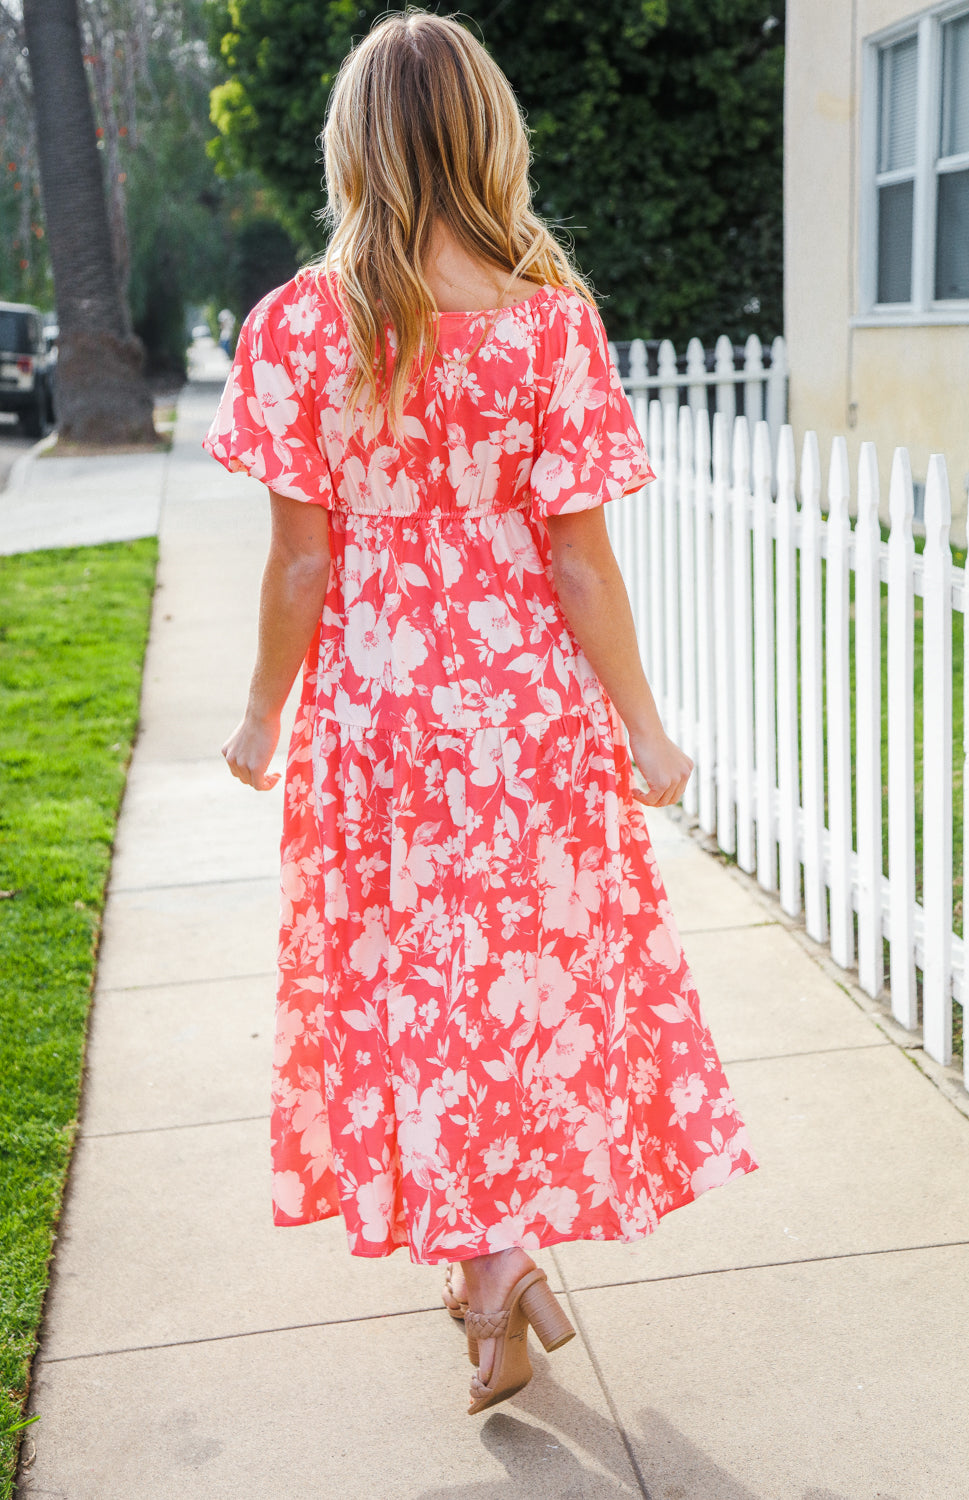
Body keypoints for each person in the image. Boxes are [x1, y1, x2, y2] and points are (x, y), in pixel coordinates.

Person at [203, 9, 758, 1416]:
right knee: (513, 994)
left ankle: (492, 1265)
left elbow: (303, 558)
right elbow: (581, 560)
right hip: (522, 716)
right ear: (487, 138)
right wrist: (643, 726)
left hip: (383, 717)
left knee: (410, 991)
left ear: (352, 148)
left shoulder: (298, 328)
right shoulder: (547, 324)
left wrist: (266, 713)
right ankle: (490, 1267)